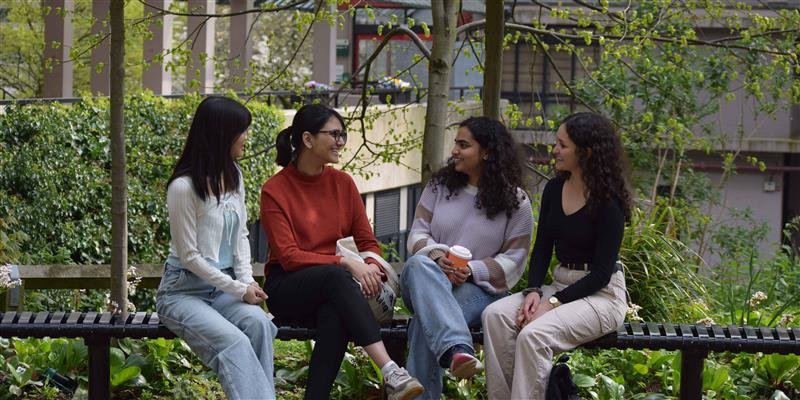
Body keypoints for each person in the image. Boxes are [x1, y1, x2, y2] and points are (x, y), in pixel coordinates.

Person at [259, 104, 424, 400]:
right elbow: (289, 256)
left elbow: (367, 241)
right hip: (288, 287)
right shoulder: (275, 189)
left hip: (336, 290)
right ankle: (390, 370)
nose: (340, 141)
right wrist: (346, 263)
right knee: (337, 278)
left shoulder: (343, 183)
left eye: (343, 134)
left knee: (335, 313)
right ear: (308, 139)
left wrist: (371, 264)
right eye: (334, 134)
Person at [481, 112, 632, 400]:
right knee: (495, 316)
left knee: (534, 335)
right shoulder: (553, 189)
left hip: (602, 296)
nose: (555, 150)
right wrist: (534, 291)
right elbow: (542, 249)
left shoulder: (608, 202)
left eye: (562, 145)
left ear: (586, 152)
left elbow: (601, 274)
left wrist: (552, 303)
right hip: (560, 286)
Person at [400, 116, 533, 399]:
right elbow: (417, 235)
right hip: (426, 282)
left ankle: (451, 352)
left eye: (464, 144)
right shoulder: (439, 186)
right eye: (455, 144)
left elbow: (515, 259)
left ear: (487, 152)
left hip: (479, 291)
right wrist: (438, 258)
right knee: (419, 263)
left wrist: (470, 271)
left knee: (426, 323)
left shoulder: (516, 201)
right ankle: (458, 348)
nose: (454, 151)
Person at [156, 96, 277, 400]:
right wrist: (238, 289)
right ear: (222, 134)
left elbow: (241, 238)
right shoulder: (183, 188)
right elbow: (190, 257)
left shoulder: (234, 176)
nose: (247, 136)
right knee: (233, 342)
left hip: (224, 288)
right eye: (242, 130)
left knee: (259, 324)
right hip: (182, 291)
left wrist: (247, 280)